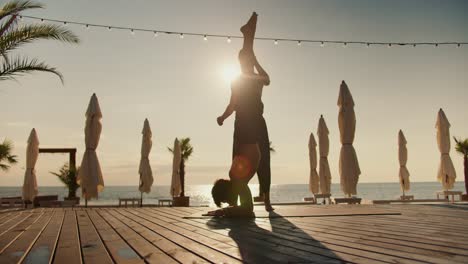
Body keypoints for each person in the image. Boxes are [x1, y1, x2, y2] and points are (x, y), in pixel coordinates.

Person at [206, 12, 273, 217]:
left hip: (248, 123)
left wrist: (223, 117)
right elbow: (233, 103)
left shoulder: (249, 77)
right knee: (248, 49)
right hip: (246, 122)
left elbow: (265, 80)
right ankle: (248, 33)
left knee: (248, 49)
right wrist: (223, 117)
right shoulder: (245, 78)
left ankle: (248, 33)